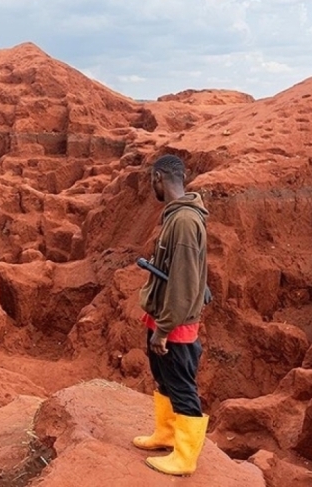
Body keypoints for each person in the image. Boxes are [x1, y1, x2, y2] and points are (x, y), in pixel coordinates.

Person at [132, 154, 209, 476]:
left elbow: (184, 282)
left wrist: (163, 330)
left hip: (175, 325)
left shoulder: (185, 221)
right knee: (164, 378)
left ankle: (185, 458)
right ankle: (165, 434)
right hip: (165, 317)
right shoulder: (177, 216)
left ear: (159, 177)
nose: (153, 186)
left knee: (181, 386)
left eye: (153, 181)